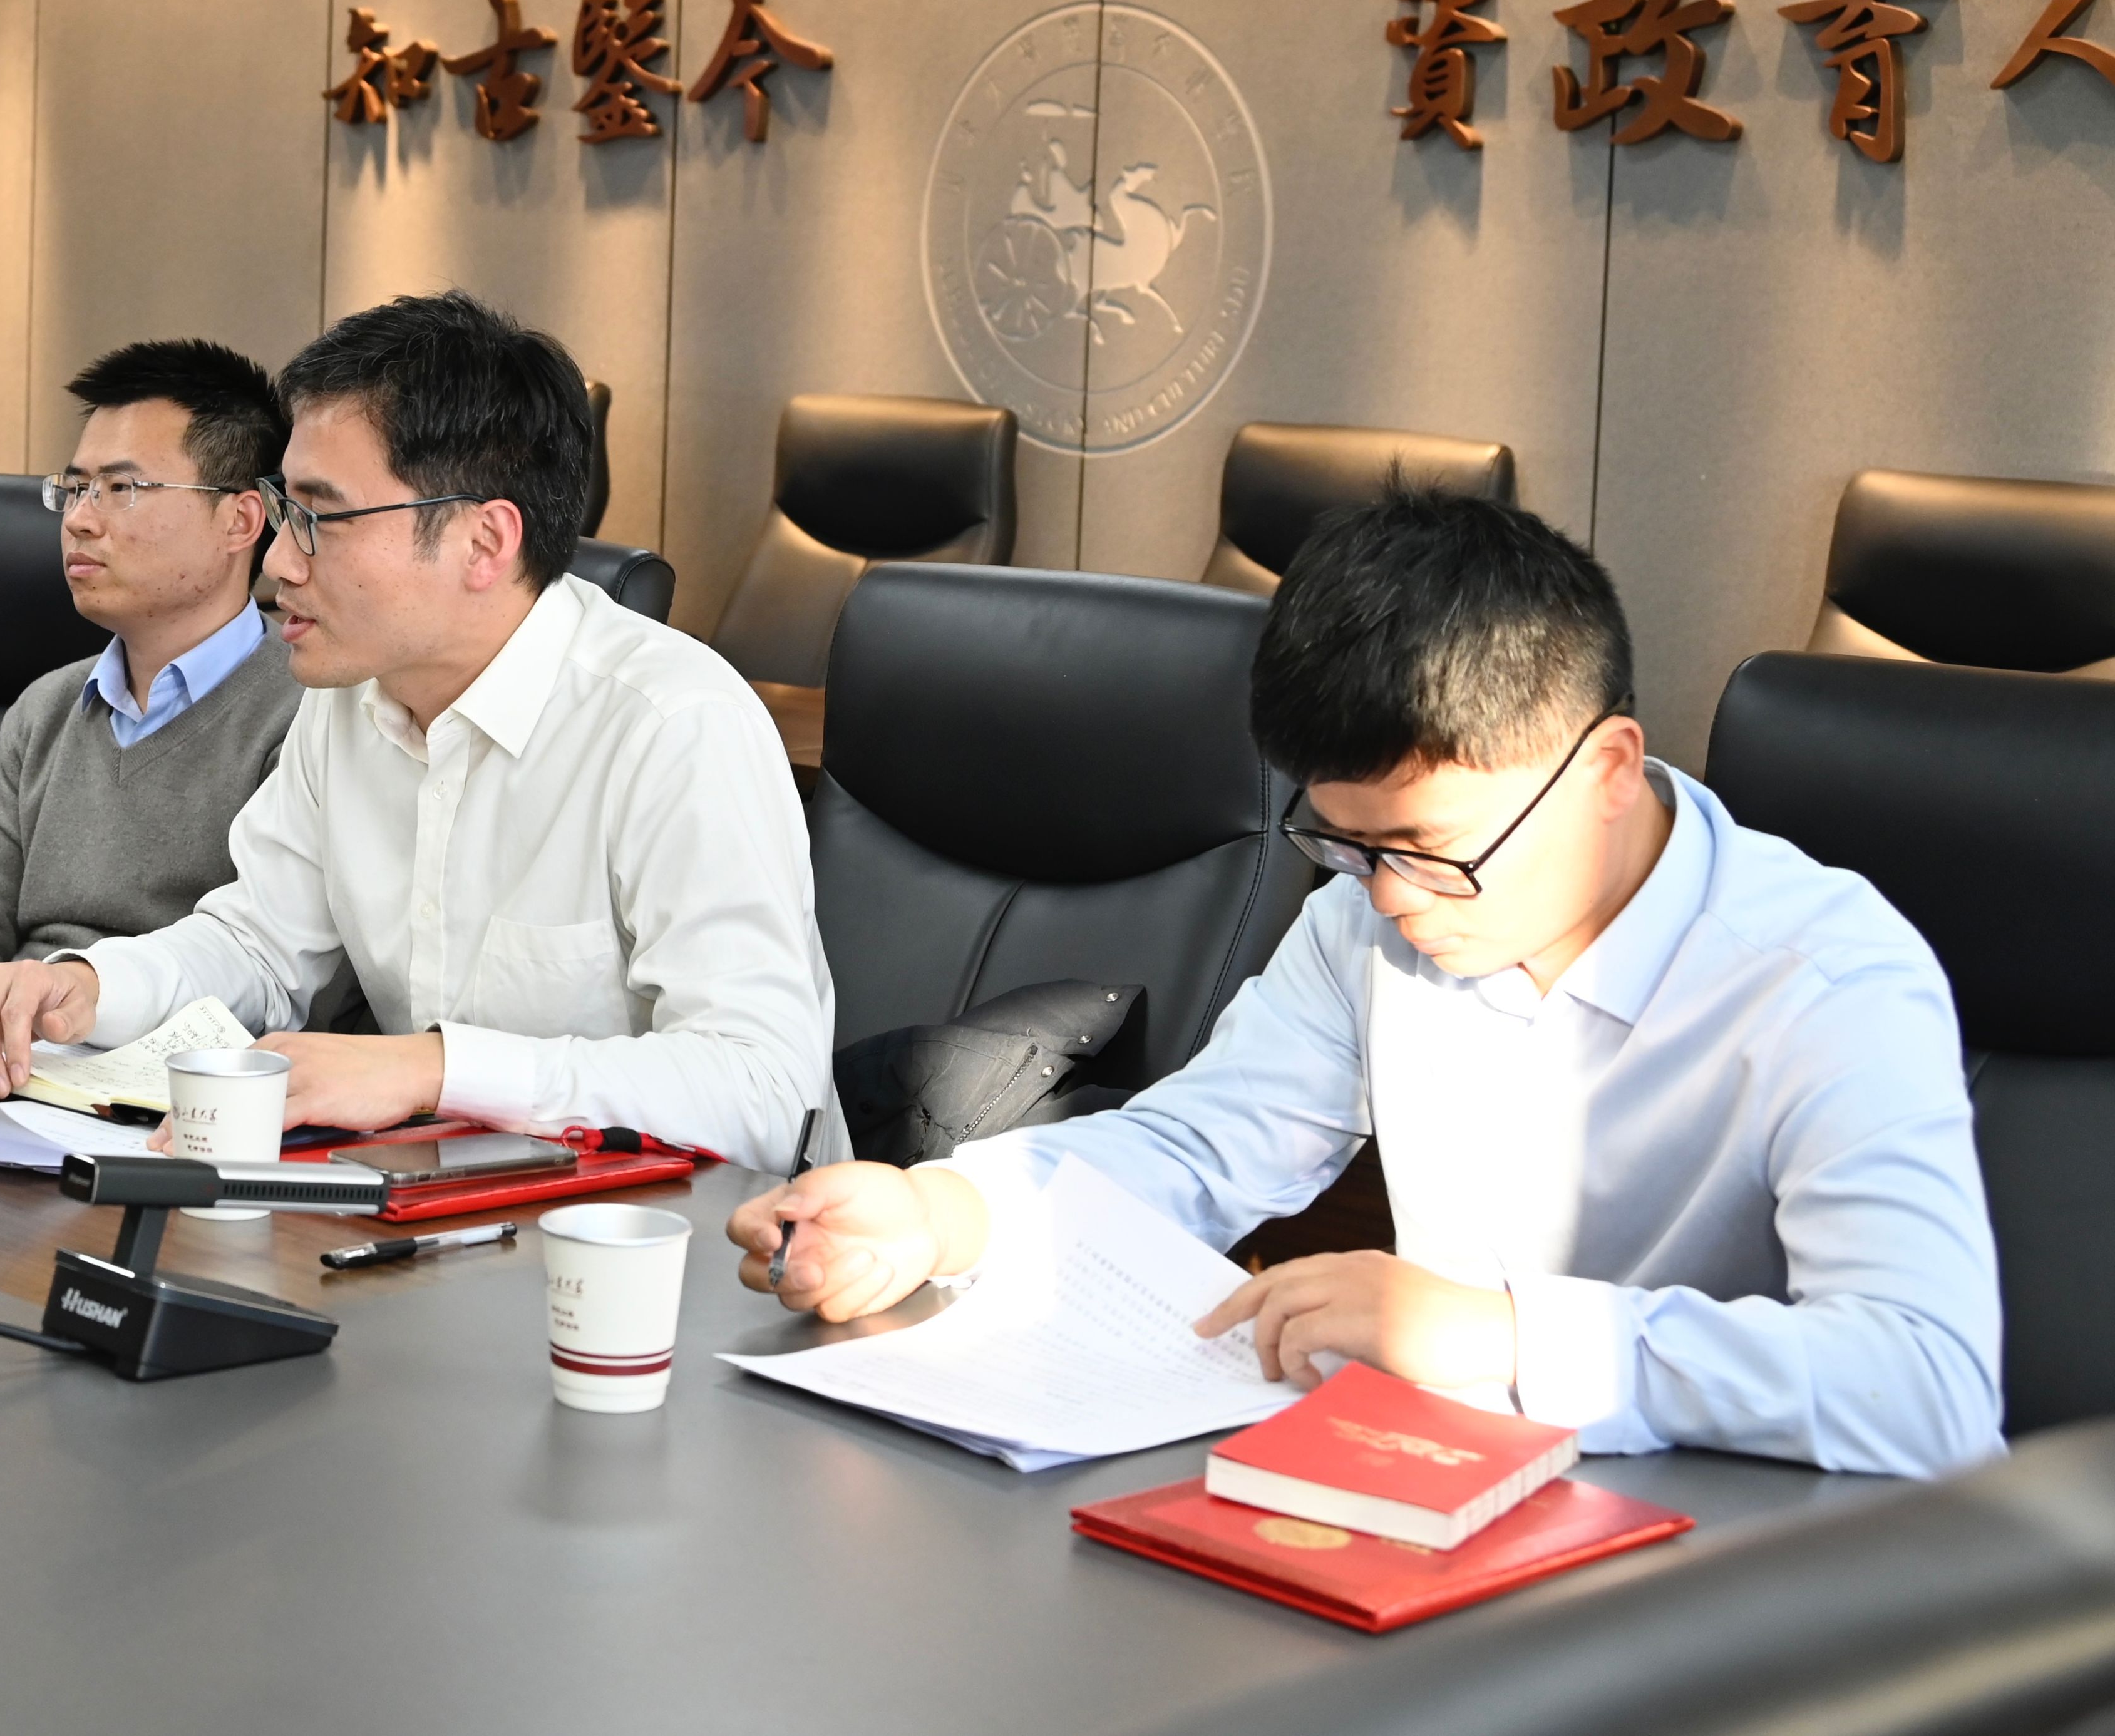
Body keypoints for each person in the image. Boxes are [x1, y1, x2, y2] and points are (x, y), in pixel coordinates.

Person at [729, 488, 2003, 1479]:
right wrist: (939, 1213)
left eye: (1429, 850)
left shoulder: (1826, 981)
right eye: (1346, 844)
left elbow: (1928, 1384)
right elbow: (1200, 1148)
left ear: (1609, 768)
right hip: (1441, 1503)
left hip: (1750, 1565)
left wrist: (1504, 1335)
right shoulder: (1370, 915)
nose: (1388, 899)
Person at [0, 290, 838, 1172]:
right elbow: (259, 945)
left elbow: (764, 1089)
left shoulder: (674, 726)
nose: (278, 561)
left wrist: (433, 1069)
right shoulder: (348, 699)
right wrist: (91, 986)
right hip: (445, 1203)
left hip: (687, 1238)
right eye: (284, 510)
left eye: (320, 518)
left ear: (484, 543)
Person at [0, 340, 301, 972]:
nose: (79, 520)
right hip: (8, 1024)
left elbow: (275, 970)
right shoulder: (44, 709)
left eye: (121, 487)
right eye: (75, 488)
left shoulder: (305, 716)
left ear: (240, 520)